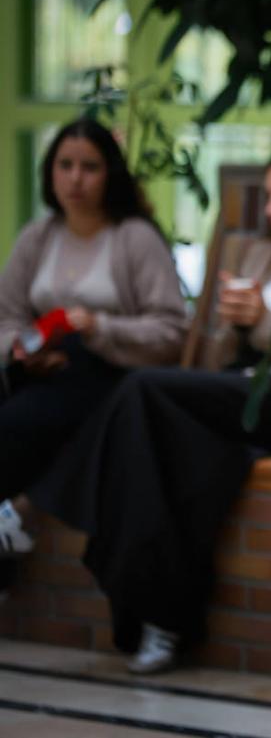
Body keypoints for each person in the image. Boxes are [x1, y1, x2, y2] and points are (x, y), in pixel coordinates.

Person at [28, 137, 271, 674]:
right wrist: (237, 326)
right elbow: (221, 352)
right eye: (268, 195)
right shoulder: (264, 253)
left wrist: (263, 320)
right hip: (236, 395)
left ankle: (40, 503)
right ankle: (162, 618)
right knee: (168, 452)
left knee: (143, 388)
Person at [0, 117, 187, 556]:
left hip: (110, 372)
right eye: (65, 165)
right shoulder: (37, 236)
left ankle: (16, 526)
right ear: (50, 172)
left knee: (14, 423)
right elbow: (7, 316)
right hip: (39, 369)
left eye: (90, 166)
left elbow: (172, 330)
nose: (75, 179)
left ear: (111, 174)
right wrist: (21, 350)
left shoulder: (135, 239)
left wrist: (101, 327)